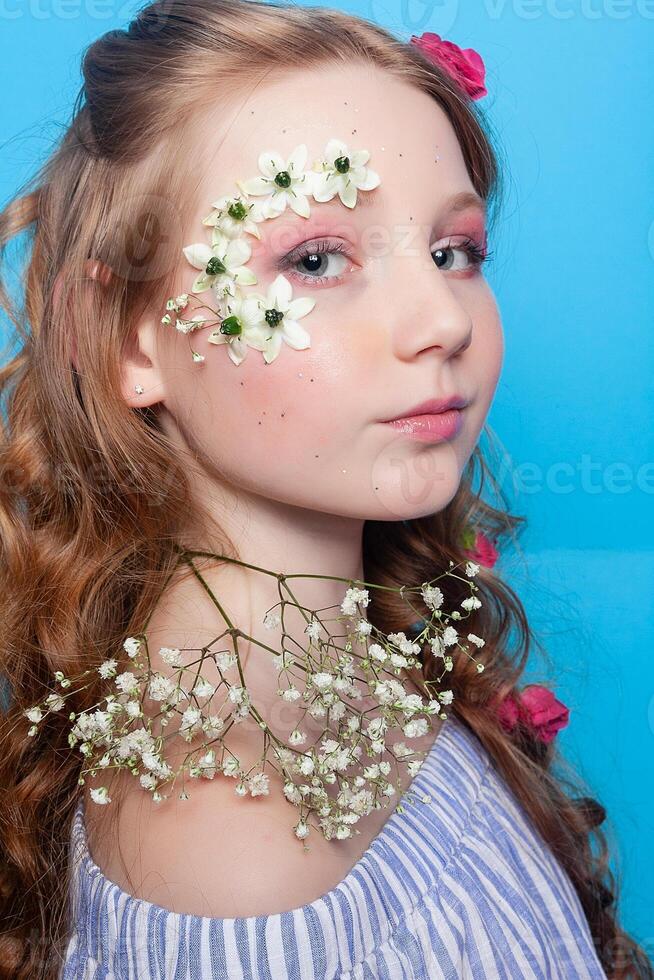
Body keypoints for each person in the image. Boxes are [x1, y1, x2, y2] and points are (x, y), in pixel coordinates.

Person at [0, 1, 651, 977]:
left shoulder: (348, 666)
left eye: (455, 251)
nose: (442, 317)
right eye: (313, 258)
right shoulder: (238, 851)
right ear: (132, 335)